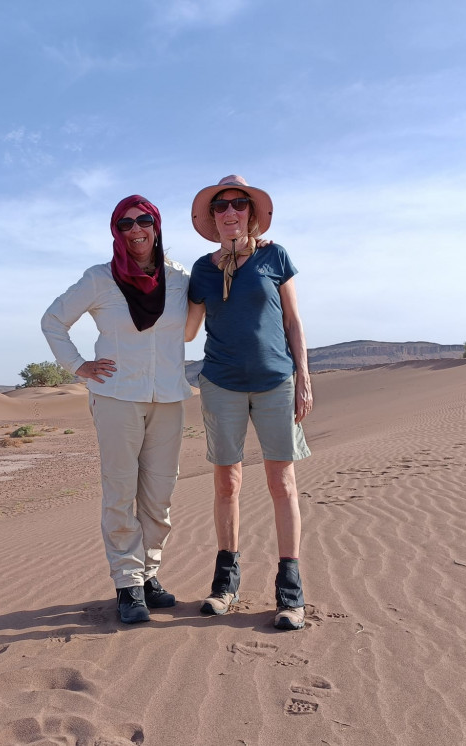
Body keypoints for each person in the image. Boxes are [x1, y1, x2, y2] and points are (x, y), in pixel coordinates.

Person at [41, 195, 192, 624]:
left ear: (157, 225)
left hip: (168, 397)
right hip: (116, 397)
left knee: (160, 493)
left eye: (144, 221)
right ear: (116, 232)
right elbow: (53, 320)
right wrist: (78, 366)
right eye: (125, 225)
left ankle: (149, 573)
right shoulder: (99, 278)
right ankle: (128, 583)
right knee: (121, 491)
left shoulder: (181, 277)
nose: (135, 230)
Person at [185, 175, 314, 631]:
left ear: (252, 213)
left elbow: (294, 322)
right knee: (227, 485)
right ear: (212, 217)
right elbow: (187, 330)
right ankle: (225, 584)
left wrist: (304, 376)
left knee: (283, 484)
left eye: (239, 204)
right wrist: (159, 283)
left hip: (276, 381)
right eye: (221, 206)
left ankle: (290, 590)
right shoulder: (202, 270)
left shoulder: (274, 256)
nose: (230, 212)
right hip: (221, 384)